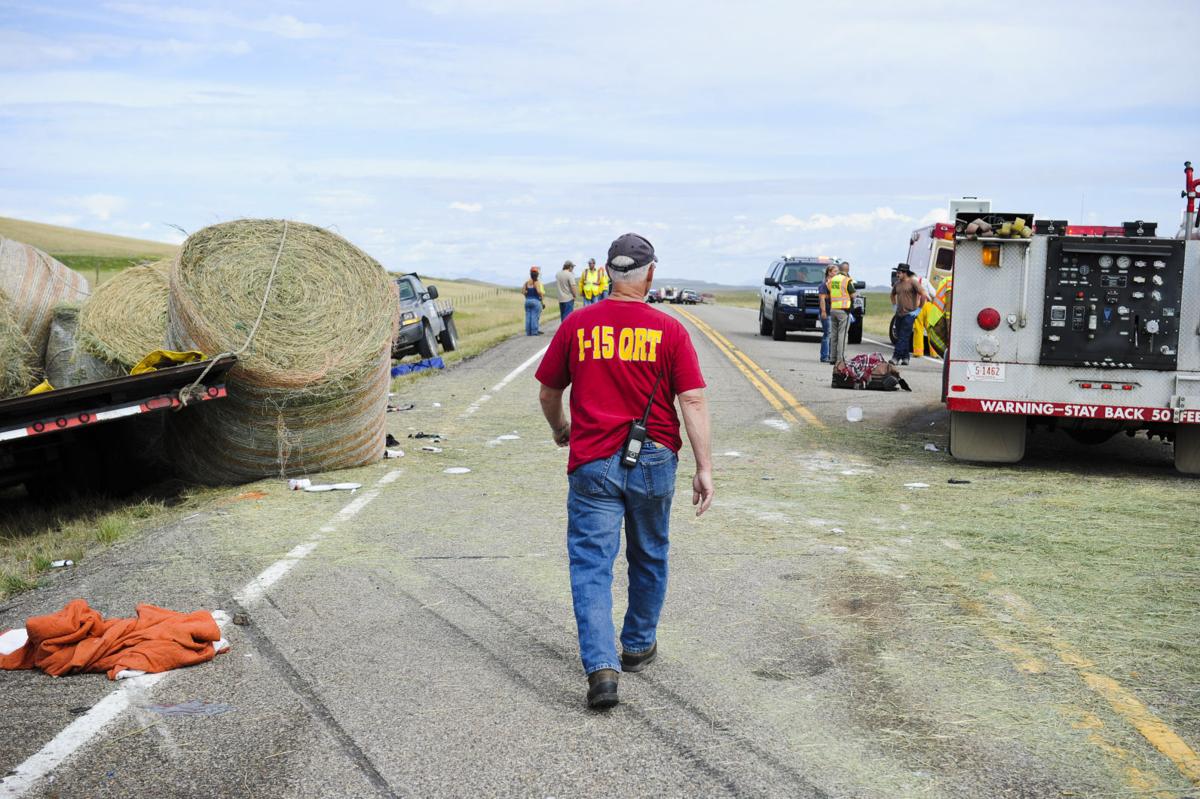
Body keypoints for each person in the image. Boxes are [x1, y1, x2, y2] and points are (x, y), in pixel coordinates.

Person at [535, 232, 714, 711]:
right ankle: (636, 645)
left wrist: (561, 430)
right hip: (655, 458)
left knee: (592, 565)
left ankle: (600, 667)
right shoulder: (670, 330)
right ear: (650, 273)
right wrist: (704, 467)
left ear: (608, 274)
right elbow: (692, 399)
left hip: (592, 460)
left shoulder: (578, 326)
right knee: (649, 552)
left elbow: (549, 392)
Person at [890, 263, 928, 365]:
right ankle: (906, 357)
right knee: (901, 336)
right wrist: (894, 305)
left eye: (899, 273)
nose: (897, 275)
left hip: (910, 314)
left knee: (903, 336)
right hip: (899, 314)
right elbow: (892, 294)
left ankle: (895, 357)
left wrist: (919, 309)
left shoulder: (913, 282)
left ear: (905, 273)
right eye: (897, 273)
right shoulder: (897, 284)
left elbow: (924, 294)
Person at [827, 260, 857, 367]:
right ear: (847, 270)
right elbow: (853, 295)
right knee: (842, 335)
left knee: (834, 334)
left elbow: (829, 290)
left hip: (833, 309)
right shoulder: (846, 280)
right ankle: (841, 358)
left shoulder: (833, 279)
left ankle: (832, 357)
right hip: (843, 310)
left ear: (839, 269)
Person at [817, 264, 837, 363]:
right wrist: (823, 311)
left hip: (834, 312)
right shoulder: (824, 285)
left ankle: (831, 356)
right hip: (827, 313)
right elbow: (822, 299)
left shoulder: (834, 284)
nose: (836, 273)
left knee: (832, 335)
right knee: (827, 334)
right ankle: (824, 356)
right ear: (829, 272)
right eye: (835, 271)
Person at [523, 266, 545, 336]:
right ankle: (534, 332)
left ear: (530, 274)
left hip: (527, 301)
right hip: (535, 300)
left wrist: (527, 296)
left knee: (528, 317)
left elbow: (523, 291)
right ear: (537, 274)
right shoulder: (536, 282)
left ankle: (528, 332)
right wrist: (541, 298)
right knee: (534, 317)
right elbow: (539, 291)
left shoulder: (526, 283)